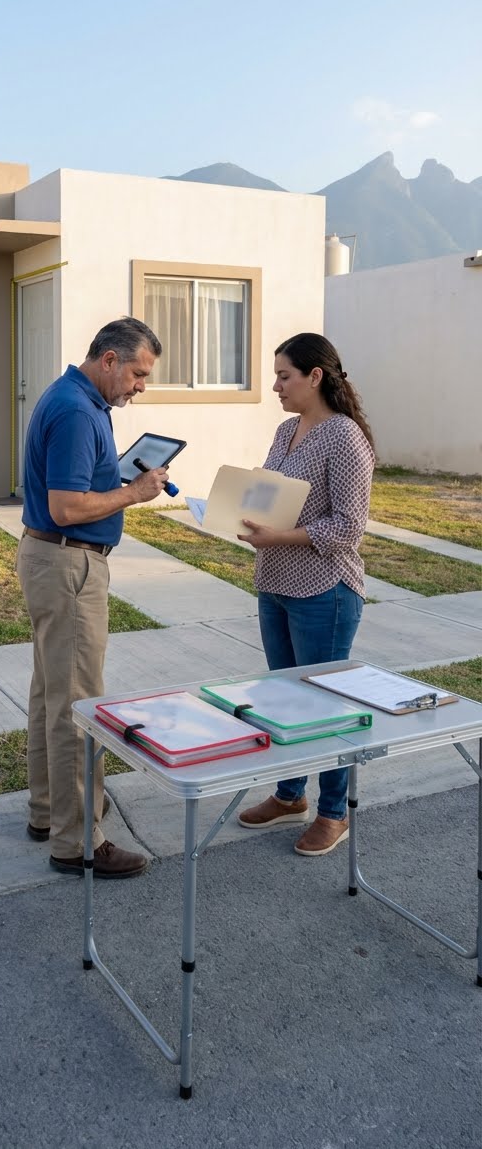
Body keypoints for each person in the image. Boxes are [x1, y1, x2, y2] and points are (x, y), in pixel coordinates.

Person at [15, 316, 169, 879]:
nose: (139, 386)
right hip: (69, 561)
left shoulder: (78, 399)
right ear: (108, 359)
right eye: (137, 372)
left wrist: (118, 477)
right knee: (80, 706)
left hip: (50, 558)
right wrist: (134, 492)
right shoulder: (80, 412)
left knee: (51, 695)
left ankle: (47, 813)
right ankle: (79, 840)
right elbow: (67, 507)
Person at [236, 331, 375, 857]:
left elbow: (348, 527)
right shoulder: (285, 429)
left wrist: (278, 536)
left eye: (284, 375)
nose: (275, 385)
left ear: (315, 377)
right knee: (284, 700)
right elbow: (274, 495)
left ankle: (333, 812)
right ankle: (290, 793)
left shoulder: (344, 437)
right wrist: (242, 514)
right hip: (274, 582)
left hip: (325, 589)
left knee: (327, 706)